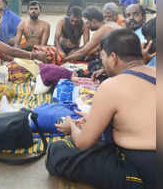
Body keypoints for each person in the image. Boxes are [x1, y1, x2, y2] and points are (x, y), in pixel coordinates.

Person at [47, 29, 156, 189]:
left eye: (102, 57)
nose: (102, 62)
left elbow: (84, 142)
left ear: (113, 58)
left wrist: (72, 125)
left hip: (146, 173)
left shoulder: (112, 86)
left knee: (58, 151)